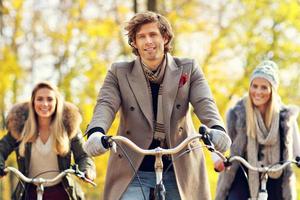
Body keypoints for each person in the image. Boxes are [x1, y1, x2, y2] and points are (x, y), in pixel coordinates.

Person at [83, 11, 231, 200]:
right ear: (134, 43)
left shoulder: (188, 68)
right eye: (141, 37)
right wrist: (96, 132)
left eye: (153, 34)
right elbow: (105, 104)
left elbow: (205, 102)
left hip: (179, 164)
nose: (148, 41)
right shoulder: (119, 72)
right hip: (133, 167)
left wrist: (217, 129)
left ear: (165, 37)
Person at [214, 60, 300, 200]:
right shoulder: (237, 113)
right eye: (254, 86)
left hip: (275, 174)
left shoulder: (285, 117)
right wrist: (219, 160)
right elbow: (223, 142)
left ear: (272, 90)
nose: (258, 92)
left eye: (264, 87)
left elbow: (297, 149)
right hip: (244, 172)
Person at [0, 81, 96, 200]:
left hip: (63, 192)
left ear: (57, 102)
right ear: (33, 102)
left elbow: (83, 156)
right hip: (29, 194)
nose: (45, 104)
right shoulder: (20, 127)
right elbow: (1, 149)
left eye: (50, 99)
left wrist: (86, 170)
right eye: (40, 99)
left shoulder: (68, 127)